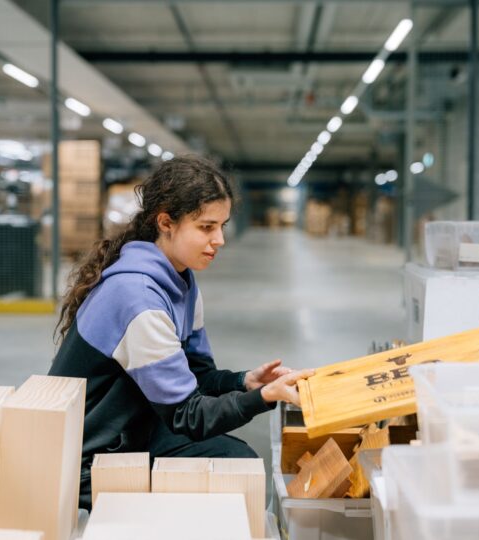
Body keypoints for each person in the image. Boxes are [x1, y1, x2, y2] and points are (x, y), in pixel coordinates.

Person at [49, 155, 313, 510]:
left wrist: (245, 382)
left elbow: (197, 375)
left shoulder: (181, 283)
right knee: (232, 469)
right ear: (166, 223)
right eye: (206, 227)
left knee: (236, 460)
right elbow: (187, 416)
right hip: (92, 458)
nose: (219, 239)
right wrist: (264, 398)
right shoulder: (138, 300)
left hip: (136, 426)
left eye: (222, 225)